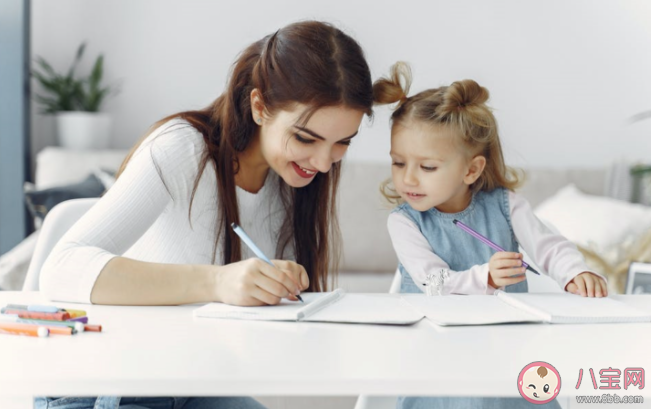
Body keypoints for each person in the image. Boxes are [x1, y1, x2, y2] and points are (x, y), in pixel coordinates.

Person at [37, 21, 375, 409]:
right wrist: (218, 282)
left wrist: (278, 289)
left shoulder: (294, 178)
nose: (323, 162)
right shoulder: (182, 149)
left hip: (192, 382)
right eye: (304, 138)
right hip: (109, 381)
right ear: (260, 106)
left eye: (341, 143)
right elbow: (61, 267)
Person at [373, 62, 607, 409]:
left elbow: (549, 247)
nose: (408, 179)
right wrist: (487, 278)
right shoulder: (405, 222)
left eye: (427, 167)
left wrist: (575, 272)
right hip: (438, 354)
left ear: (471, 169)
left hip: (506, 351)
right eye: (398, 163)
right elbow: (433, 281)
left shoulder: (506, 206)